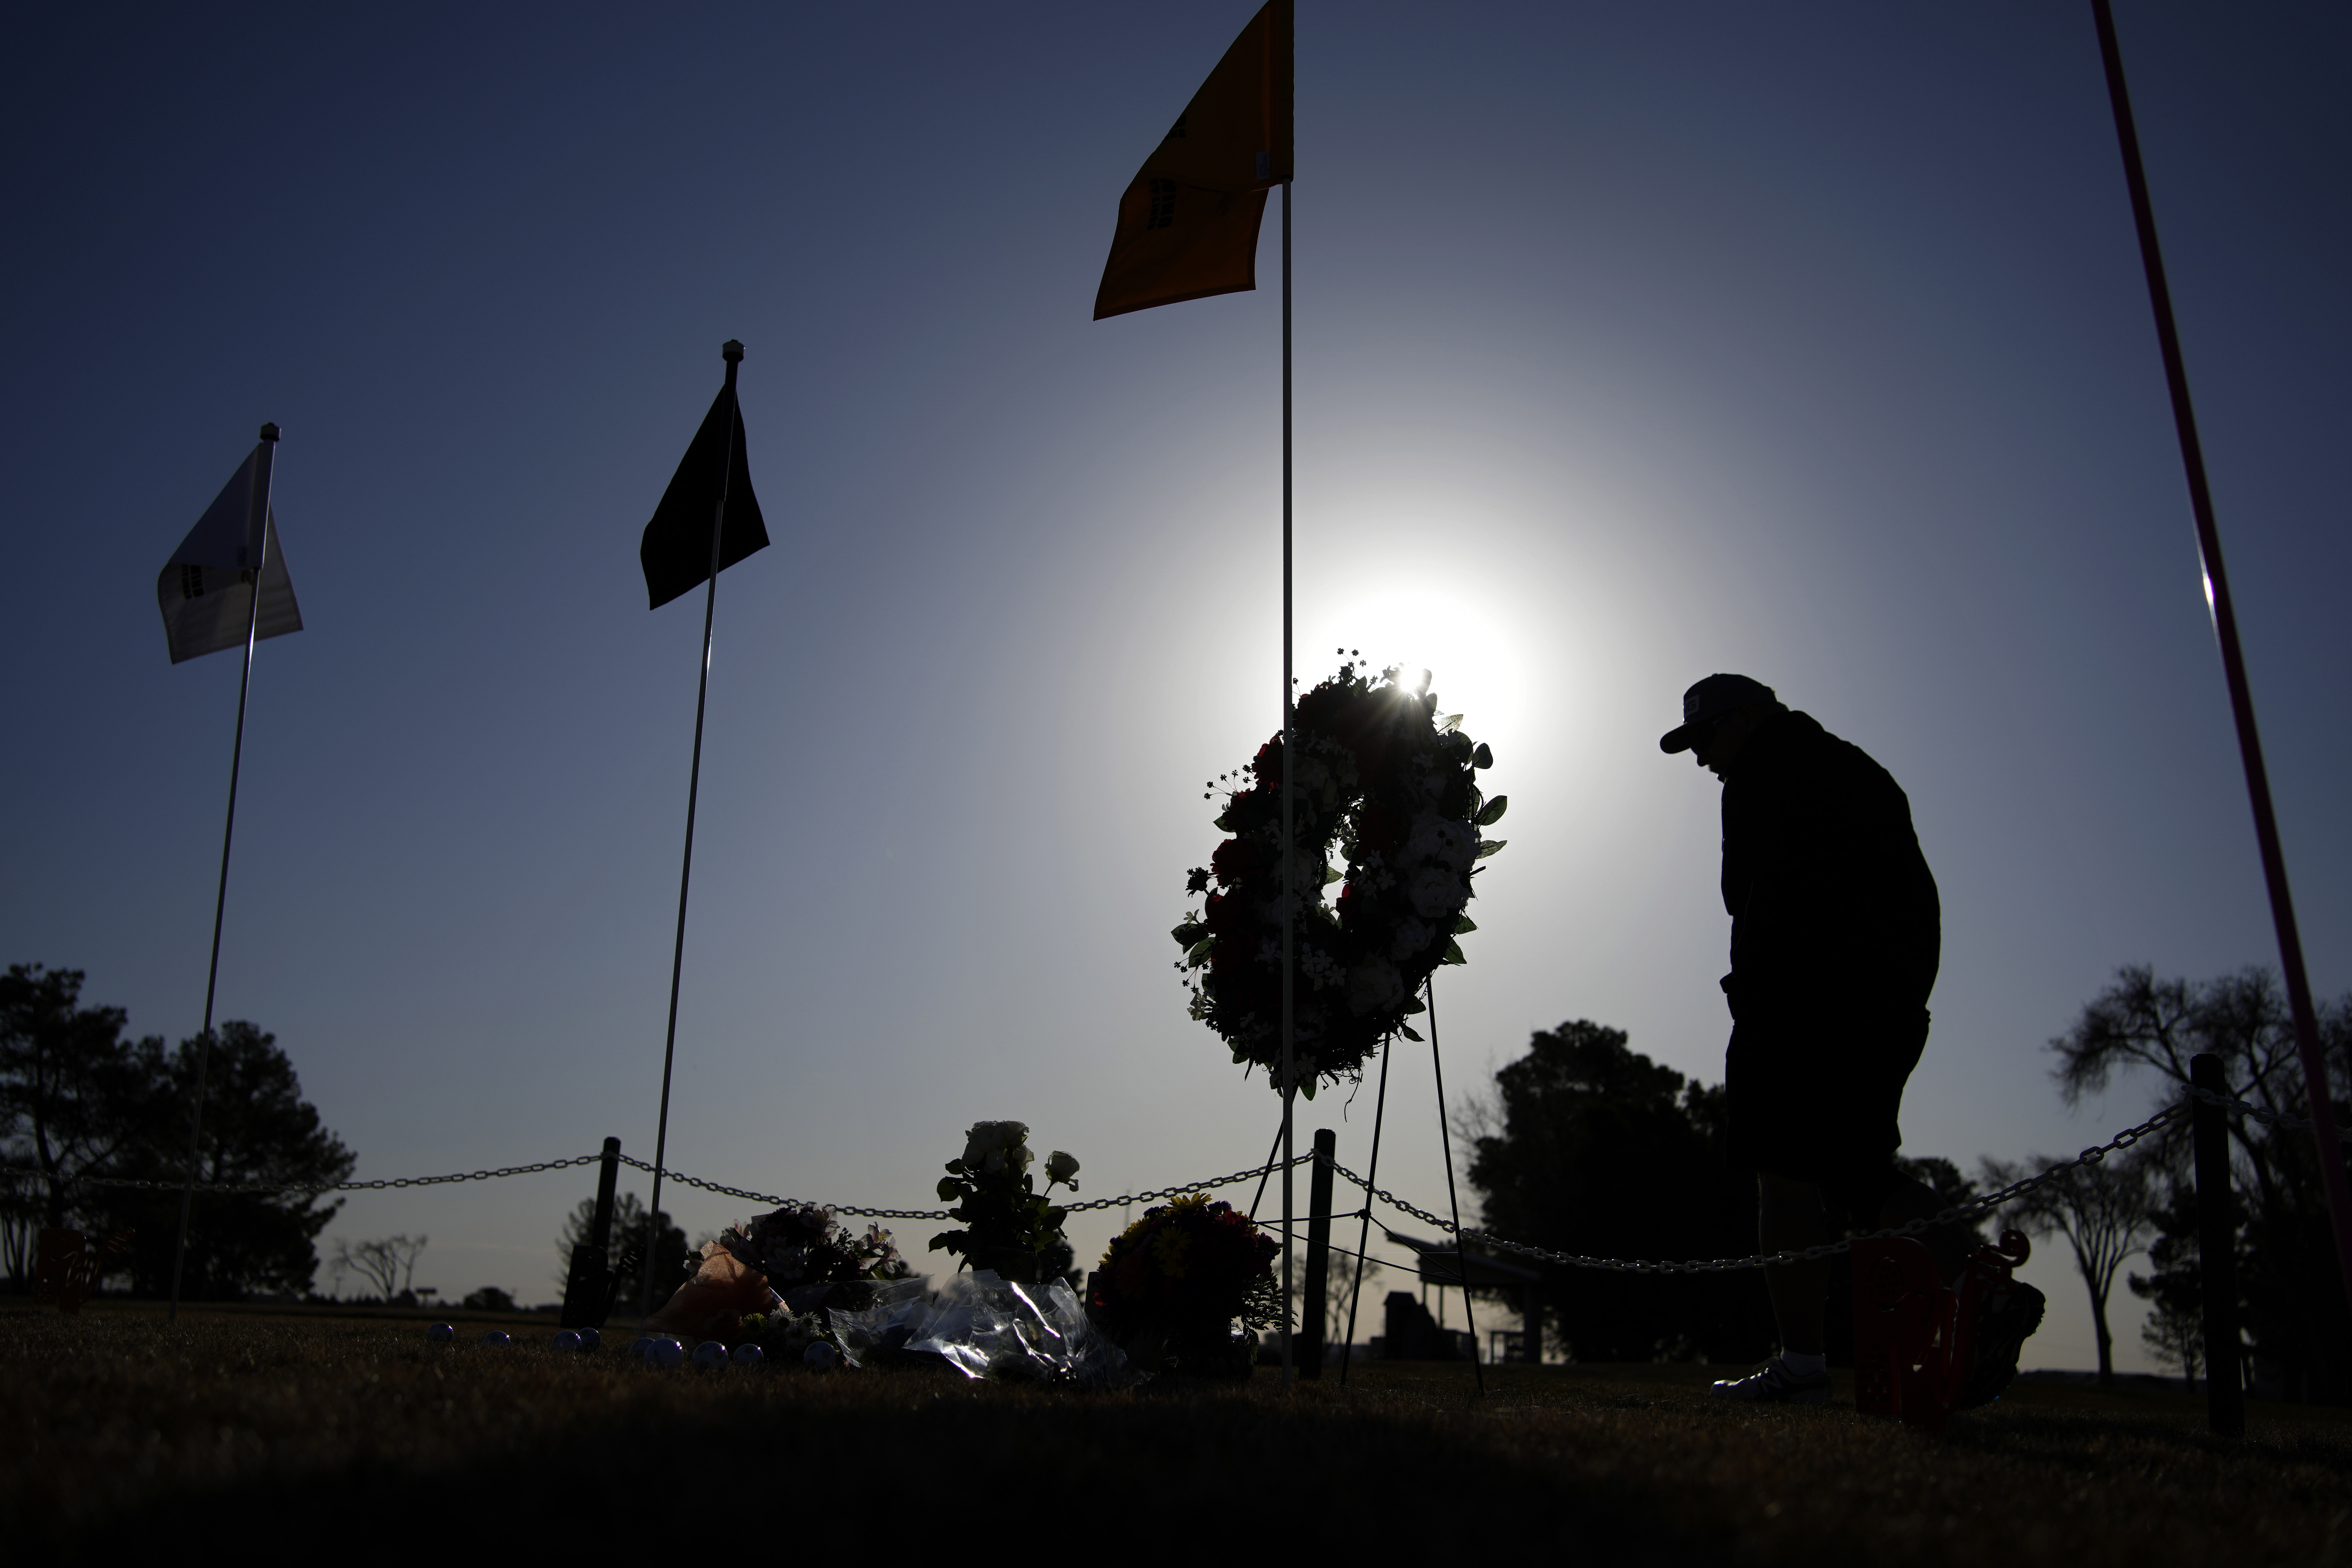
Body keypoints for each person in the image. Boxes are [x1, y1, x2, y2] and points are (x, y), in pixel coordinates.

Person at [1658, 673, 2041, 1406]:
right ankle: (1976, 1283)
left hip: (1803, 1005)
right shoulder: (1859, 768)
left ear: (1747, 720)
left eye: (1707, 737)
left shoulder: (1759, 775)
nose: (1703, 757)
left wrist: (1764, 1002)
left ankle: (1801, 1367)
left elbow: (1747, 898)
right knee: (1857, 1173)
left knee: (1783, 1178)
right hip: (1888, 1003)